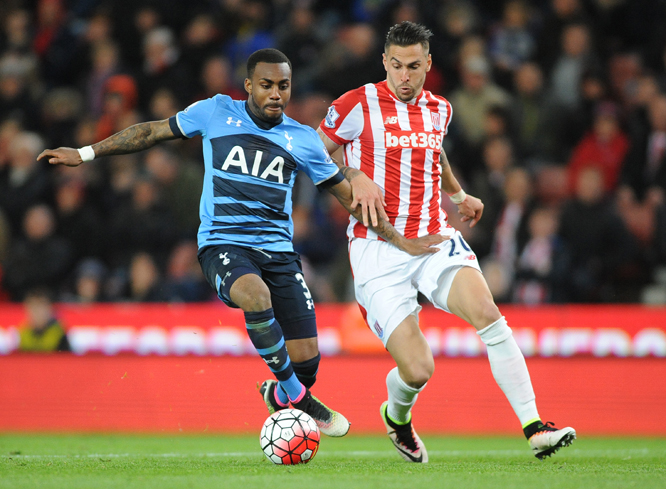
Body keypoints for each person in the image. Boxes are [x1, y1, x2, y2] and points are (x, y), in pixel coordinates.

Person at [37, 48, 442, 437]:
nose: (275, 94)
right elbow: (153, 131)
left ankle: (283, 390)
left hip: (279, 253)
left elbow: (349, 198)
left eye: (283, 86)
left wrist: (399, 241)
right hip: (223, 244)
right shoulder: (216, 111)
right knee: (255, 294)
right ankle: (302, 400)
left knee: (307, 360)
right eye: (266, 85)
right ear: (248, 85)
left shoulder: (302, 139)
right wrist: (86, 152)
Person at [316, 22, 576, 462]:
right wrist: (354, 175)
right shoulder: (355, 104)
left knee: (489, 315)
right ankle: (397, 417)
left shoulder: (440, 109)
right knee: (418, 370)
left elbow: (434, 151)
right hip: (377, 249)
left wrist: (457, 195)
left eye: (413, 66)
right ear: (384, 62)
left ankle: (535, 427)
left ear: (428, 64)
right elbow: (314, 151)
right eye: (396, 66)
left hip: (433, 236)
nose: (404, 76)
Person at [18, 288, 70, 352]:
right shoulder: (24, 333)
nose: (36, 312)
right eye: (33, 307)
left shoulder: (58, 333)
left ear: (50, 308)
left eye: (40, 307)